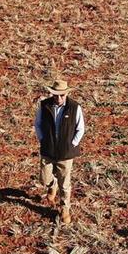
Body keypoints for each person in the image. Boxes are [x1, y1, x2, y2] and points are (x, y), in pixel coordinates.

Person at [33, 79, 85, 224]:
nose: (59, 98)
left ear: (67, 93)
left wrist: (72, 144)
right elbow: (37, 124)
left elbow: (80, 128)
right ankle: (51, 185)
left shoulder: (75, 107)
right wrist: (42, 139)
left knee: (65, 184)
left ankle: (65, 209)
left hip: (65, 153)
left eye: (62, 95)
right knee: (44, 178)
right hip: (48, 149)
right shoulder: (44, 105)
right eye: (56, 95)